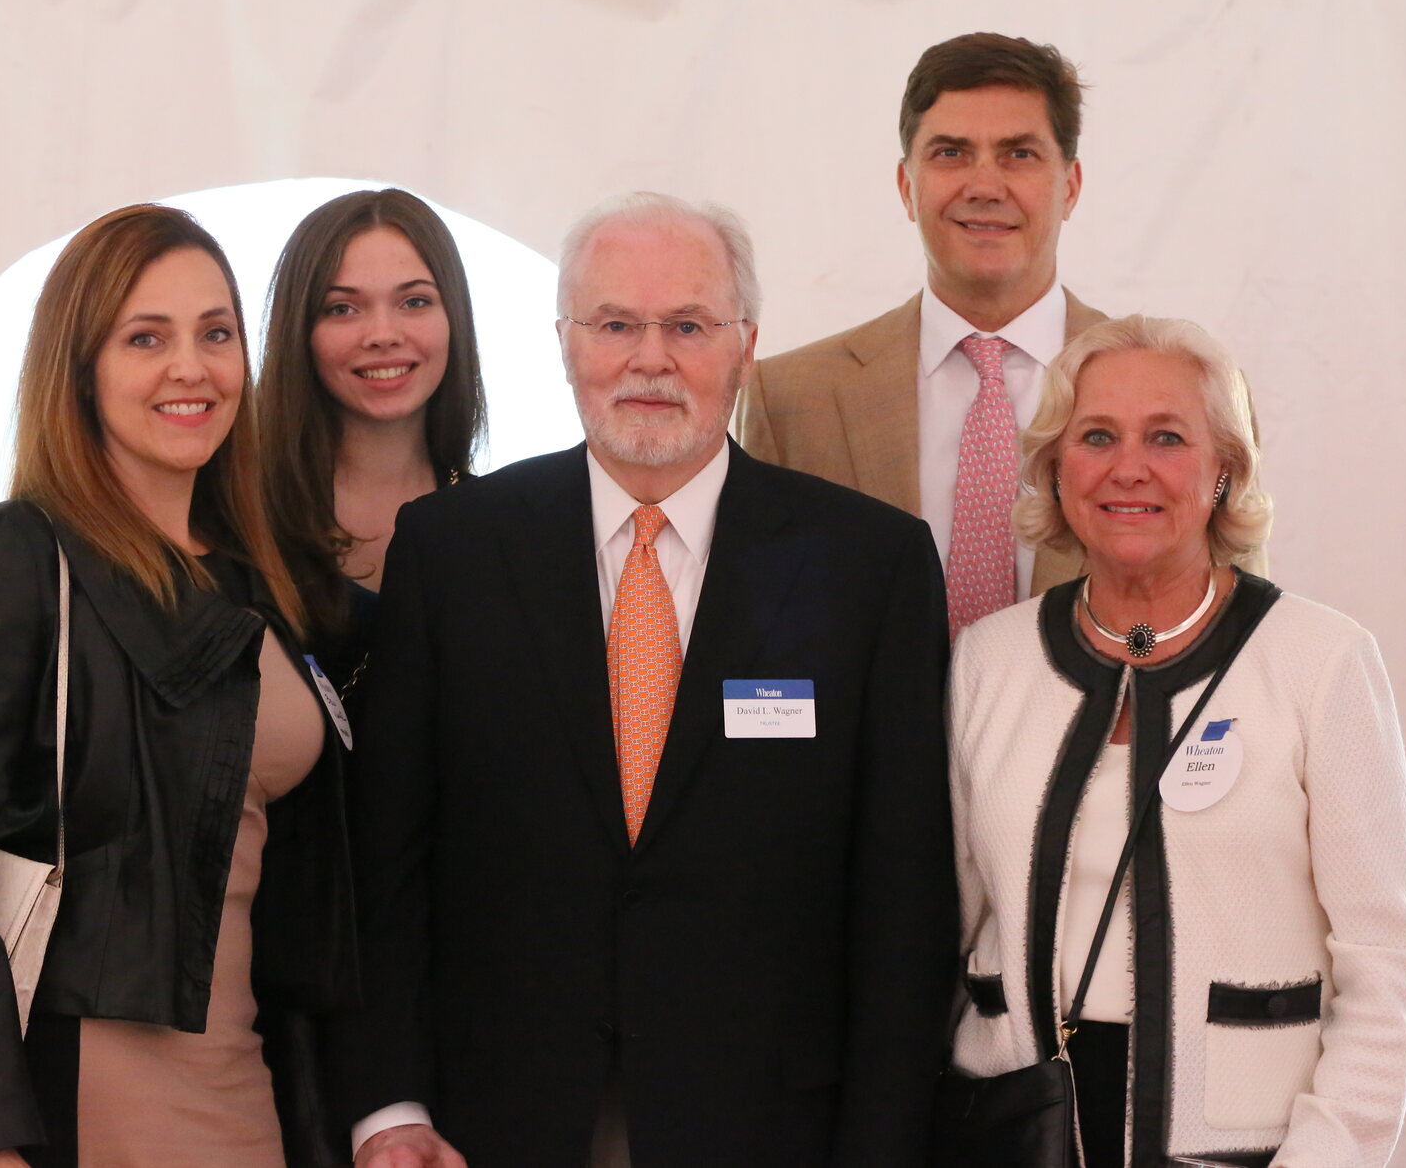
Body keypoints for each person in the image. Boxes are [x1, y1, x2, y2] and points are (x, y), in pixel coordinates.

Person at [339, 192, 957, 1168]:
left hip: (774, 1125)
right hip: (490, 1121)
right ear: (563, 342)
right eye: (615, 324)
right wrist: (388, 1104)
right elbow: (389, 860)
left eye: (687, 326)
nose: (649, 359)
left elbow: (903, 900)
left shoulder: (868, 567)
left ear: (744, 343)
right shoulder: (452, 551)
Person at [0, 204, 363, 1168]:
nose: (192, 366)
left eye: (217, 333)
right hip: (99, 1106)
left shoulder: (264, 584)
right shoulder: (8, 561)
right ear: (79, 367)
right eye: (146, 337)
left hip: (260, 1096)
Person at [941, 315, 1406, 1168]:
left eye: (1166, 437)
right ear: (1057, 471)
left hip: (1245, 1146)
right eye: (1097, 436)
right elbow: (948, 923)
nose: (1129, 466)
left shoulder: (1321, 661)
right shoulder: (989, 659)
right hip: (1018, 1131)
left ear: (1223, 473)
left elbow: (1386, 964)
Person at [737, 32, 1108, 633]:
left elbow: (1230, 630)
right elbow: (758, 633)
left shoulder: (1175, 391)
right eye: (951, 153)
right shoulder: (788, 400)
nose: (984, 185)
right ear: (907, 187)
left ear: (1069, 186)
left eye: (1018, 153)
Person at [258, 187, 487, 619]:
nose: (383, 333)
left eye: (414, 301)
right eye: (342, 308)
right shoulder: (240, 522)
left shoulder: (501, 527)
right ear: (299, 331)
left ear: (453, 317)